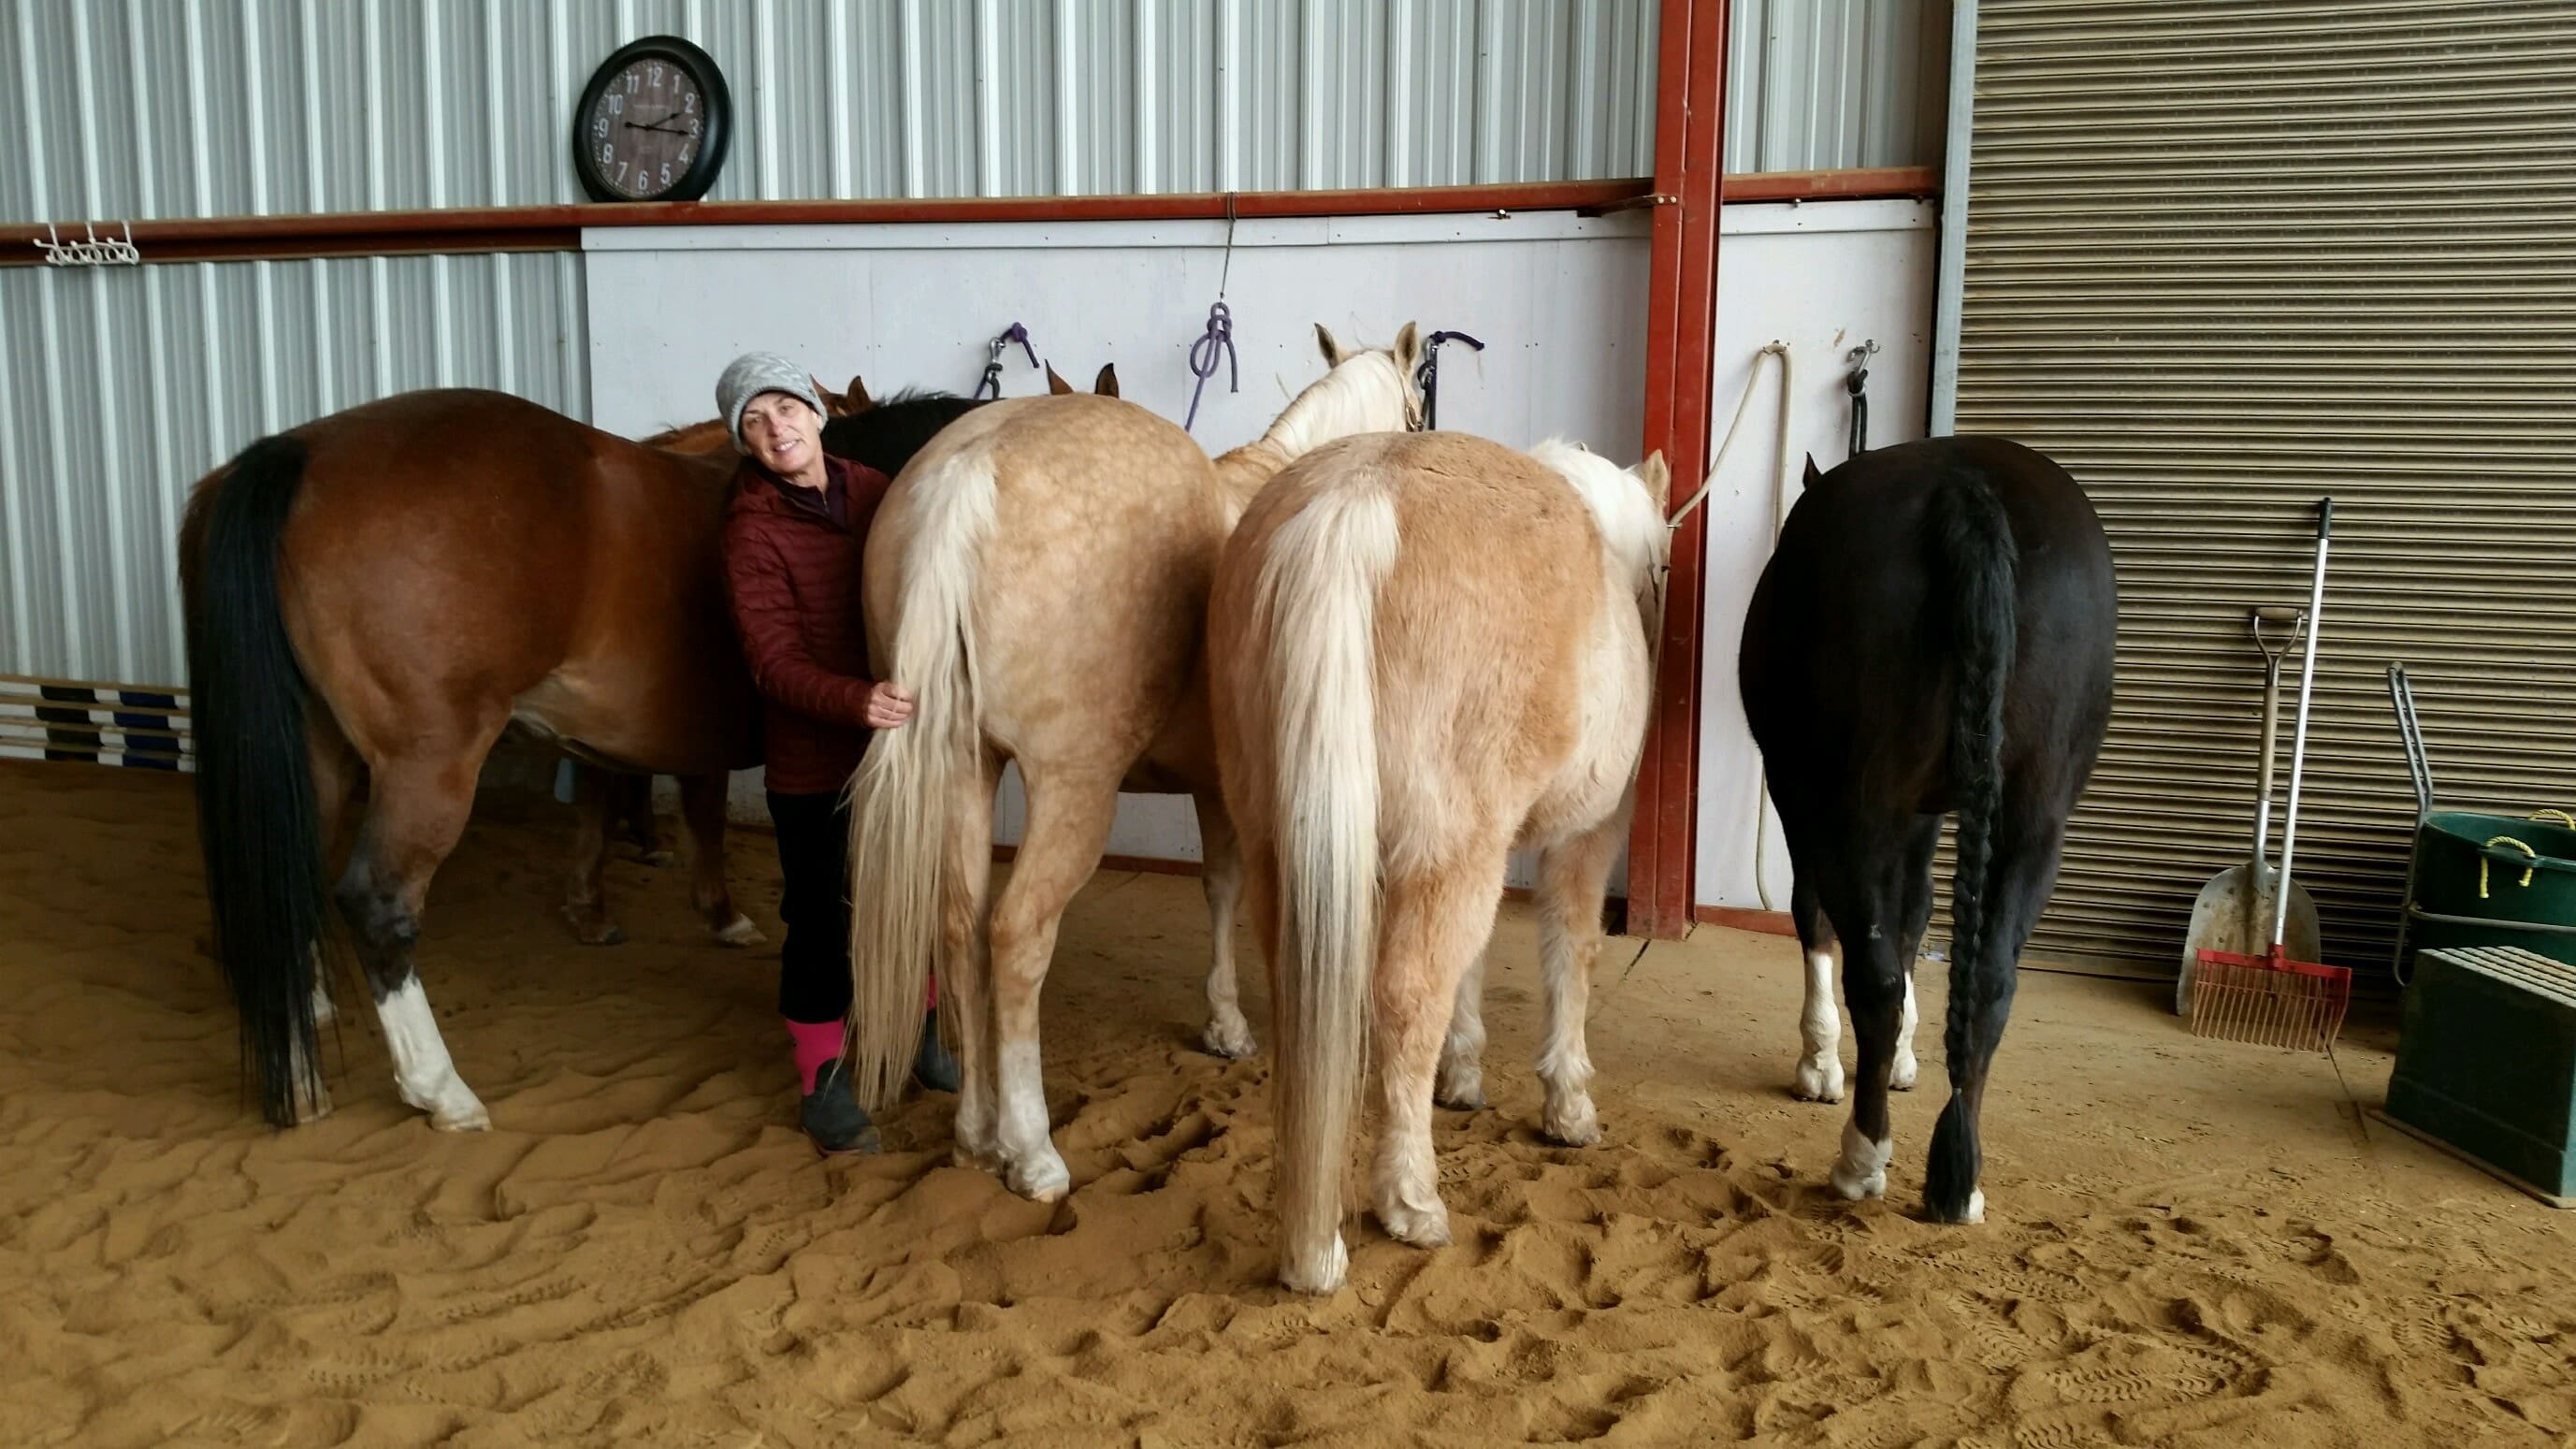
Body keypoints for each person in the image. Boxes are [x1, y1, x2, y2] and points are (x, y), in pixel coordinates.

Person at [715, 351, 960, 1155]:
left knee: (912, 895)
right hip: (815, 763)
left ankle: (919, 1034)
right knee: (819, 921)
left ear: (816, 413)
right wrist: (855, 699)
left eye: (784, 406)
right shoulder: (751, 532)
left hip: (896, 748)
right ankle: (822, 1078)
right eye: (754, 421)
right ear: (746, 444)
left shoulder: (879, 491)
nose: (775, 426)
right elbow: (770, 662)